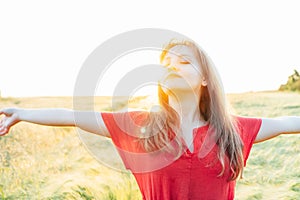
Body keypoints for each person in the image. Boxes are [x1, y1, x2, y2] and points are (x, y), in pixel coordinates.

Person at [0, 40, 299, 200]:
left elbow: (288, 123)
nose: (172, 67)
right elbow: (73, 117)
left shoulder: (233, 130)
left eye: (183, 62)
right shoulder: (141, 125)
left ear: (206, 78)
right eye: (166, 64)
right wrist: (22, 113)